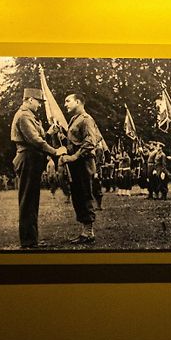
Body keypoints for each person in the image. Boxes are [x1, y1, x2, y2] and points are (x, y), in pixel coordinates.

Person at [10, 88, 66, 248]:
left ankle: (31, 240)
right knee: (28, 201)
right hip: (27, 159)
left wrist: (49, 133)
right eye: (38, 102)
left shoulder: (29, 116)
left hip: (31, 160)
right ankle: (28, 241)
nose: (40, 105)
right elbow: (35, 140)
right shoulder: (23, 116)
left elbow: (39, 138)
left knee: (32, 201)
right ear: (29, 100)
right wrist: (55, 151)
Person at [58, 93, 99, 245]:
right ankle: (84, 232)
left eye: (68, 101)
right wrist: (61, 135)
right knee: (77, 197)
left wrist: (74, 157)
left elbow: (90, 142)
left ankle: (89, 233)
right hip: (75, 166)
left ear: (78, 101)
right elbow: (74, 141)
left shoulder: (86, 119)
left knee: (84, 196)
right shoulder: (73, 120)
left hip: (83, 164)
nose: (65, 104)